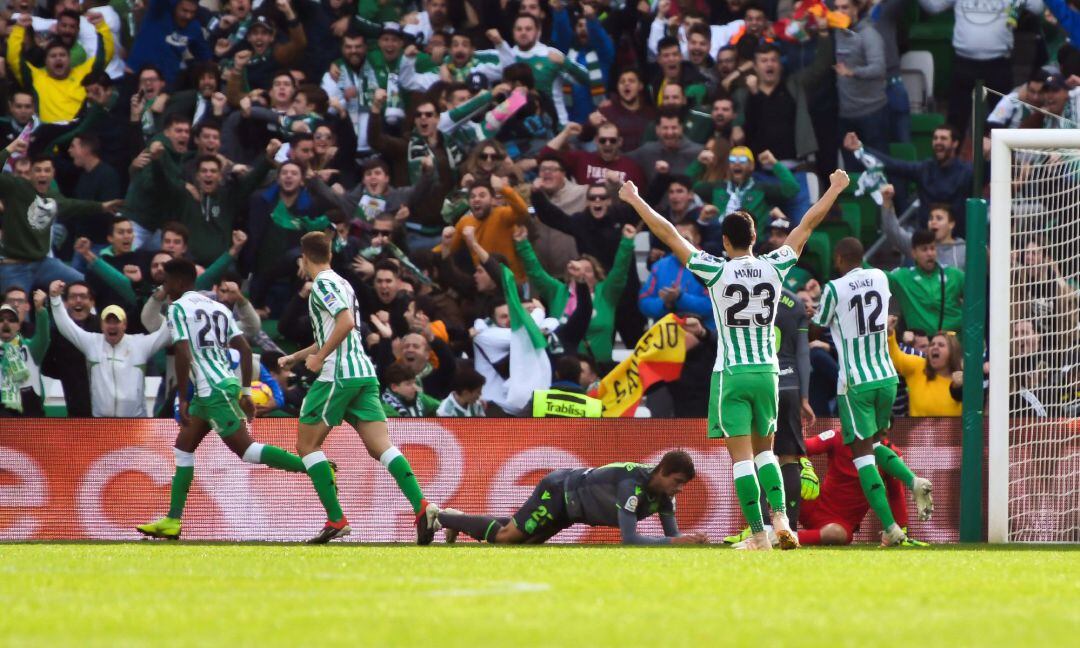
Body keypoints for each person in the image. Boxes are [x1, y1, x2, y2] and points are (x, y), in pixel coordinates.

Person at [619, 168, 850, 551]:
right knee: (767, 453)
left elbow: (668, 234)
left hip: (732, 373)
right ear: (756, 238)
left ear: (725, 241)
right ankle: (781, 519)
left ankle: (759, 535)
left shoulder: (717, 270)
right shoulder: (775, 266)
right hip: (768, 372)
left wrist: (634, 199)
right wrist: (835, 188)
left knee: (742, 459)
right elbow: (808, 223)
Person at [276, 232, 438, 544]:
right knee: (380, 446)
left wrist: (319, 358)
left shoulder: (322, 284)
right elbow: (336, 329)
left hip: (338, 375)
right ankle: (422, 506)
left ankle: (336, 519)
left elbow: (346, 323)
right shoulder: (344, 283)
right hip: (363, 373)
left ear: (303, 257)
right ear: (330, 255)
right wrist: (297, 357)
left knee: (307, 446)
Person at [136, 259, 307, 540]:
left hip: (211, 389)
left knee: (247, 452)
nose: (164, 288)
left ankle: (313, 467)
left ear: (179, 282)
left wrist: (182, 397)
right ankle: (172, 520)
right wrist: (245, 392)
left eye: (166, 283)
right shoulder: (218, 307)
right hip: (219, 386)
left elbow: (182, 351)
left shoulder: (178, 308)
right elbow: (243, 348)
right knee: (183, 447)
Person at [809, 237, 933, 546]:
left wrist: (808, 313)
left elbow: (815, 328)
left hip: (855, 383)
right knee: (878, 444)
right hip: (887, 378)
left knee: (862, 457)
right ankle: (913, 480)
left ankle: (891, 529)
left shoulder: (833, 288)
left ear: (838, 258)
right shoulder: (880, 276)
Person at [435, 451, 708, 545]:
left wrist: (686, 540)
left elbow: (673, 536)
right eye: (677, 482)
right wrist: (674, 541)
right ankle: (439, 518)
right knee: (508, 537)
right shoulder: (631, 485)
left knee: (523, 539)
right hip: (559, 491)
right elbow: (630, 539)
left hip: (570, 513)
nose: (680, 489)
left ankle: (459, 520)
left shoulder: (664, 496)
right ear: (662, 472)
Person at [0, 139, 123, 292]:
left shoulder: (53, 195)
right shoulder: (16, 187)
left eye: (47, 170)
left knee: (82, 284)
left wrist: (102, 206)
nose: (42, 174)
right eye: (38, 170)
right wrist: (10, 149)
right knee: (16, 310)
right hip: (15, 266)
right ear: (30, 173)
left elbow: (73, 205)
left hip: (43, 264)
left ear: (53, 173)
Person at [49, 281, 169, 416]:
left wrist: (174, 305)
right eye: (108, 321)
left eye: (116, 321)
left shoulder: (139, 344)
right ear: (101, 325)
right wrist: (55, 300)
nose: (112, 326)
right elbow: (66, 326)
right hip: (101, 422)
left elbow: (165, 333)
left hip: (135, 422)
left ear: (124, 325)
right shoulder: (92, 342)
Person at [799, 429, 930, 546]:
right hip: (809, 501)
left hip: (839, 524)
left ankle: (785, 537)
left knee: (837, 535)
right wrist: (806, 468)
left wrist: (901, 530)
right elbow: (800, 447)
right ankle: (779, 519)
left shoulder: (890, 456)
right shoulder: (837, 436)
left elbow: (896, 494)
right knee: (787, 466)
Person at [844, 126, 972, 232]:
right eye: (935, 138)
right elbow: (893, 165)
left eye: (943, 138)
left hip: (956, 240)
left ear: (955, 143)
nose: (938, 142)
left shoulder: (967, 172)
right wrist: (861, 148)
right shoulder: (925, 168)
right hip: (924, 239)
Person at [888, 229, 965, 335]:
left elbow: (977, 300)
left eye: (932, 248)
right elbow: (876, 277)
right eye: (924, 249)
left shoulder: (954, 275)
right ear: (914, 253)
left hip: (955, 343)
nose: (930, 253)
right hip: (920, 344)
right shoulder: (902, 277)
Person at [888, 317, 964, 417]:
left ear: (953, 352)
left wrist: (961, 386)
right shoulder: (918, 366)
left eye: (941, 345)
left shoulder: (962, 378)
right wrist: (889, 333)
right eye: (932, 344)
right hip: (918, 432)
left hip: (953, 432)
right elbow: (895, 356)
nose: (935, 347)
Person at [880, 185, 966, 270]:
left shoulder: (964, 249)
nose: (933, 222)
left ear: (951, 224)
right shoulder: (918, 243)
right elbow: (893, 232)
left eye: (939, 218)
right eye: (931, 218)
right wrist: (887, 201)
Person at [0, 293, 49, 416]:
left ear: (18, 326)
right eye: (1, 319)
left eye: (11, 320)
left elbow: (43, 335)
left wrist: (40, 310)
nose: (6, 323)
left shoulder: (31, 348)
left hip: (30, 415)